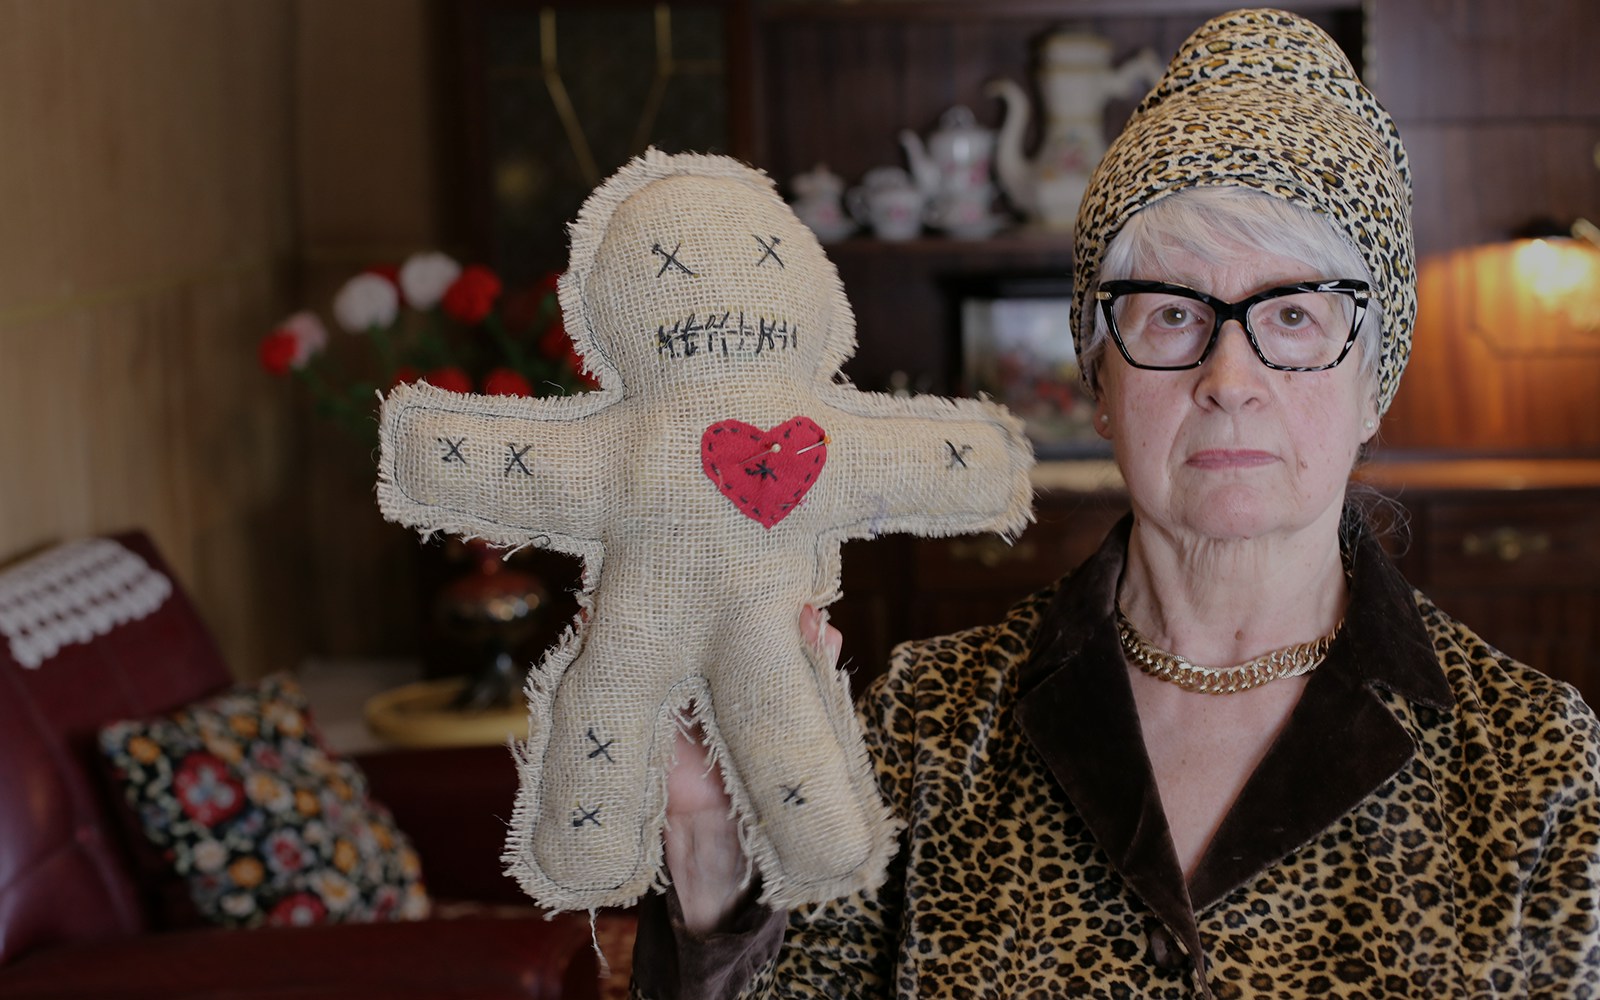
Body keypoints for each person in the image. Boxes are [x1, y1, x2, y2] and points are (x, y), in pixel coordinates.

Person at [631, 9, 1600, 997]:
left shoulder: (1531, 765)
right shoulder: (925, 725)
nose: (1230, 378)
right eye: (1173, 314)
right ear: (1100, 378)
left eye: (1293, 315)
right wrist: (710, 849)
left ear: (1373, 384)